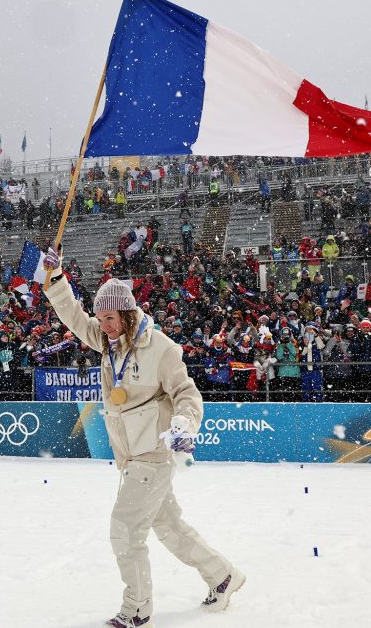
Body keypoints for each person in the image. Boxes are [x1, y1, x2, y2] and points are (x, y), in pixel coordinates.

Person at [43, 248, 244, 628]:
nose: (103, 325)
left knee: (124, 529)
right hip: (131, 457)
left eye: (110, 318)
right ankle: (223, 576)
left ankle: (137, 609)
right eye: (100, 318)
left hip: (153, 455)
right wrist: (55, 277)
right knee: (169, 527)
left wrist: (184, 424)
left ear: (128, 314)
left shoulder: (162, 349)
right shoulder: (106, 341)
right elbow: (72, 315)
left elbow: (187, 394)